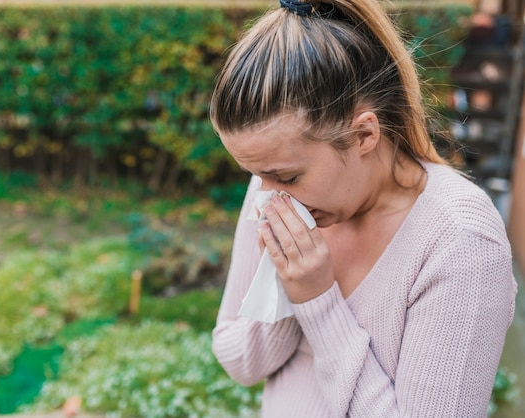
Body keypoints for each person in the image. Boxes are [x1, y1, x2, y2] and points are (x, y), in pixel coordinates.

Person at [208, 0, 518, 416]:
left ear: (364, 135)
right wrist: (283, 286)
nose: (269, 194)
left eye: (288, 177)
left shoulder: (459, 240)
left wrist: (317, 301)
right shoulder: (272, 183)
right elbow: (242, 363)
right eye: (254, 173)